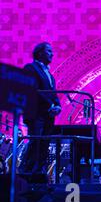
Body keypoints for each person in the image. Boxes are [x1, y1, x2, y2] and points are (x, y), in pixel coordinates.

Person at [21, 42, 61, 174]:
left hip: (48, 116)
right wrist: (50, 105)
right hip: (36, 114)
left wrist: (58, 106)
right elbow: (34, 90)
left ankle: (39, 173)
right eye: (49, 51)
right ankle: (25, 172)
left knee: (44, 144)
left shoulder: (50, 75)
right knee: (35, 143)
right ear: (39, 53)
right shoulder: (30, 68)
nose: (52, 54)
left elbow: (52, 93)